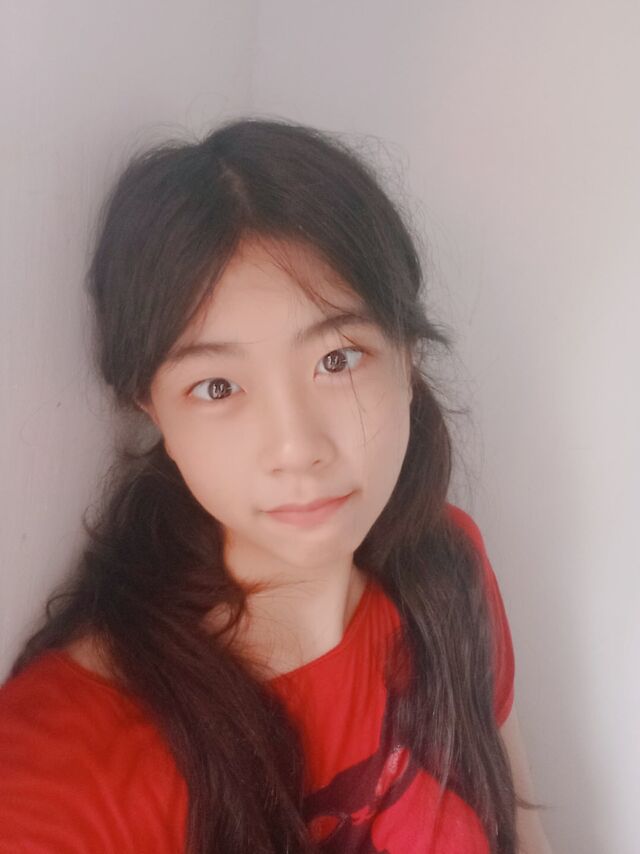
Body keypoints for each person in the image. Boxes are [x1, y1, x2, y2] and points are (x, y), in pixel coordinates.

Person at [0, 118, 551, 853]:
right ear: (151, 407)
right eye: (218, 385)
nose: (297, 449)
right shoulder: (72, 760)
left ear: (408, 354)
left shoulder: (448, 566)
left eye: (337, 359)